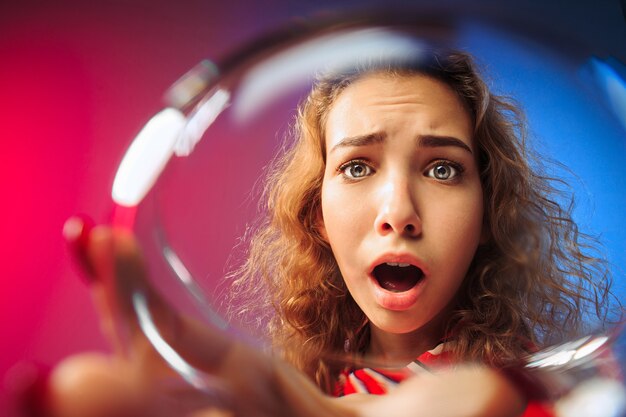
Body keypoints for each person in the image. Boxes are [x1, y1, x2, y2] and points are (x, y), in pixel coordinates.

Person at [35, 49, 617, 417]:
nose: (398, 212)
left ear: (488, 212)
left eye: (443, 168)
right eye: (357, 166)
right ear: (317, 215)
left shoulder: (564, 397)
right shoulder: (265, 401)